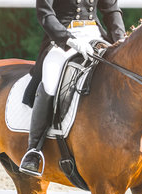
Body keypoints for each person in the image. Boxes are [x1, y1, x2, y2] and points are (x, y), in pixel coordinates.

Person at [20, 0, 126, 176]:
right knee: (51, 81)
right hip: (63, 39)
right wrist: (69, 40)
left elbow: (111, 10)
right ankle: (34, 151)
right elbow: (45, 14)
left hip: (96, 35)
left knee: (124, 72)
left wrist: (120, 40)